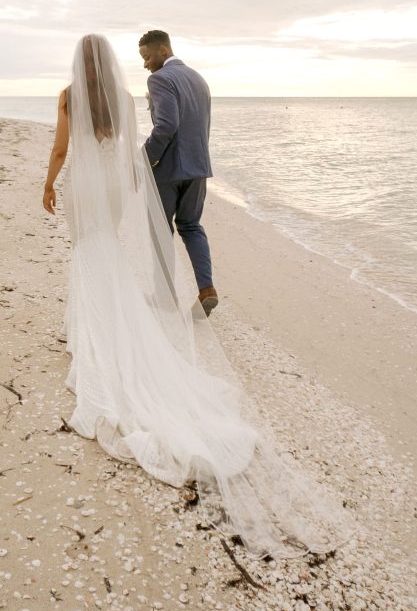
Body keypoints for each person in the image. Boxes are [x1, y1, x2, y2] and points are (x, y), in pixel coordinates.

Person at [43, 34, 350, 559]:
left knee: (90, 248)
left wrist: (52, 180)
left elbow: (67, 146)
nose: (141, 61)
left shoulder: (89, 91)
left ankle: (109, 318)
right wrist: (132, 173)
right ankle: (195, 287)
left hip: (111, 181)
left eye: (145, 52)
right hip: (175, 174)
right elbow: (135, 140)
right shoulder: (133, 92)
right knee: (171, 233)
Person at [138, 30, 218, 316]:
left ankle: (164, 296)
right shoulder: (199, 78)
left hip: (169, 169)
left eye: (147, 57)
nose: (145, 64)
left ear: (162, 50)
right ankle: (207, 289)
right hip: (199, 168)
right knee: (191, 226)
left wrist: (145, 160)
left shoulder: (159, 79)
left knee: (161, 231)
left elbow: (166, 126)